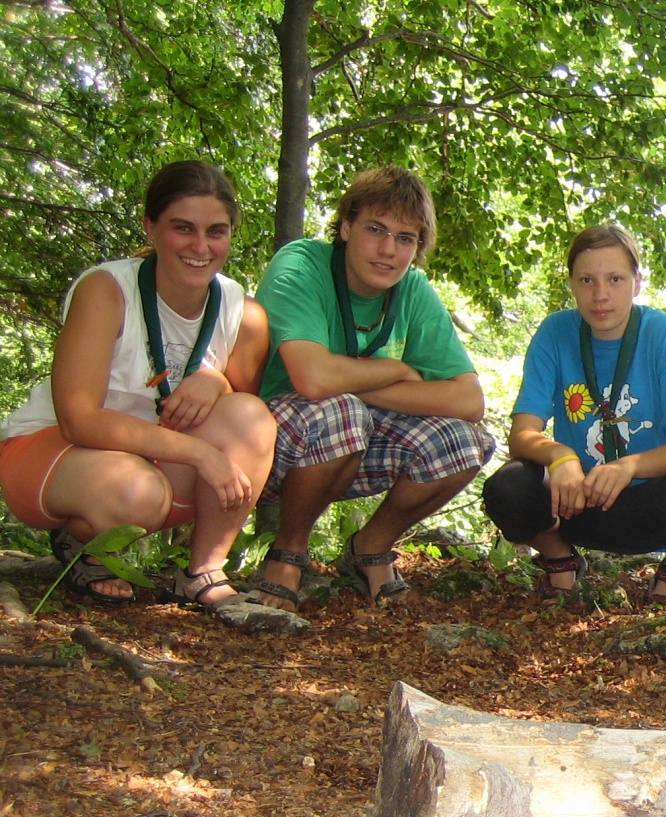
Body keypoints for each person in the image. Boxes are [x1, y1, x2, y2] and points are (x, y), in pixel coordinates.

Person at [0, 161, 275, 615]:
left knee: (250, 419)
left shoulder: (241, 311)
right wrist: (201, 454)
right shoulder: (107, 290)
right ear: (150, 228)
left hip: (150, 459)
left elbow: (247, 417)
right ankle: (84, 545)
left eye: (216, 231)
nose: (201, 246)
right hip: (51, 449)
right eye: (182, 228)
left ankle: (204, 572)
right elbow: (78, 419)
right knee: (138, 493)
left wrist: (216, 379)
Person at [252, 167, 495, 608]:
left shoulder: (413, 290)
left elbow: (468, 400)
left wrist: (355, 381)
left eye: (406, 238)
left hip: (354, 442)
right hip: (266, 449)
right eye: (375, 230)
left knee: (466, 442)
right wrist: (397, 370)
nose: (388, 250)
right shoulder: (302, 264)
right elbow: (312, 378)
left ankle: (370, 547)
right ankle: (288, 552)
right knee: (341, 412)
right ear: (346, 226)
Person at [481, 223, 666, 602]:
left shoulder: (662, 333)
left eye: (615, 279)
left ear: (637, 282)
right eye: (586, 280)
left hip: (649, 504)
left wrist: (627, 467)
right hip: (574, 501)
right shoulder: (555, 333)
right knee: (508, 487)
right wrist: (560, 457)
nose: (600, 295)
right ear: (571, 284)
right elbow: (522, 434)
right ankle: (559, 558)